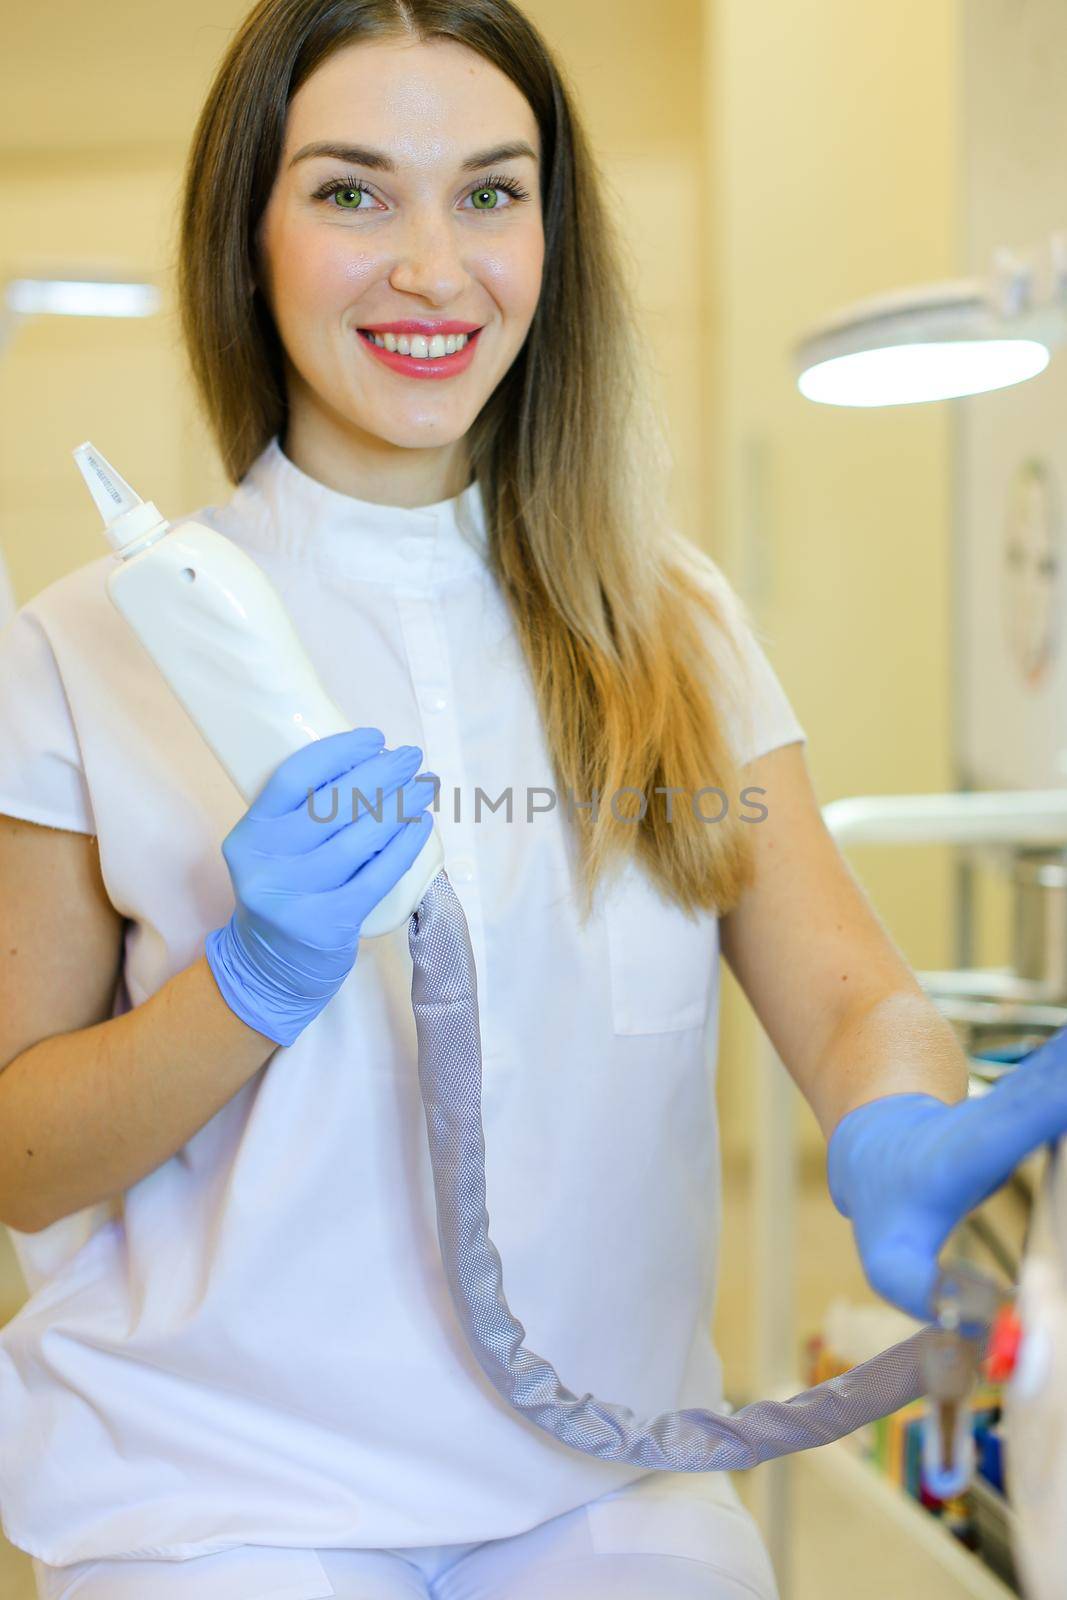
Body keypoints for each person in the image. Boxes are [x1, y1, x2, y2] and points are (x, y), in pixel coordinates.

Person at [3, 3, 1067, 1597]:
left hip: (610, 1482)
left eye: (491, 193)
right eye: (355, 192)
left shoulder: (667, 617)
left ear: (553, 239)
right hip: (213, 1492)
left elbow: (847, 994)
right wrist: (248, 985)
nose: (435, 267)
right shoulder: (91, 642)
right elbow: (18, 1154)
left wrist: (898, 1111)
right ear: (251, 234)